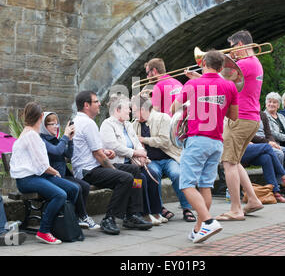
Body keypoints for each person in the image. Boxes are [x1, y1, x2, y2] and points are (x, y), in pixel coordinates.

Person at [171, 50, 239, 243]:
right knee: (205, 185)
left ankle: (209, 222)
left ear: (203, 63)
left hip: (197, 140)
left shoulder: (192, 84)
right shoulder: (230, 86)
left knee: (186, 184)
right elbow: (233, 116)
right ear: (221, 67)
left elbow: (173, 108)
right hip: (216, 141)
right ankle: (199, 229)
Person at [71, 91, 152, 235]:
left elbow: (95, 150)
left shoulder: (80, 121)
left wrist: (105, 151)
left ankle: (132, 214)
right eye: (96, 101)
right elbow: (98, 156)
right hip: (88, 171)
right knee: (125, 178)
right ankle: (109, 218)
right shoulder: (88, 123)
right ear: (86, 105)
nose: (99, 104)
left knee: (135, 172)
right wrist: (114, 169)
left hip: (93, 165)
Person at [10, 102, 79, 245]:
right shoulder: (31, 136)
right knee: (60, 194)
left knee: (73, 188)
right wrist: (55, 173)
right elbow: (42, 165)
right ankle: (44, 230)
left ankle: (64, 224)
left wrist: (52, 173)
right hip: (27, 180)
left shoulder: (31, 133)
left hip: (37, 176)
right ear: (41, 116)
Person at [99, 94, 165, 226]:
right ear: (117, 110)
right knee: (141, 179)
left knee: (153, 174)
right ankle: (142, 213)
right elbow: (114, 146)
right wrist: (135, 153)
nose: (130, 111)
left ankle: (155, 211)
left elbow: (137, 142)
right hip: (118, 164)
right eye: (127, 108)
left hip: (132, 163)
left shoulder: (128, 125)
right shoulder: (107, 124)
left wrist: (142, 154)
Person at [218, 30, 264, 219]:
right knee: (235, 161)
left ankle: (236, 209)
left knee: (228, 162)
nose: (231, 52)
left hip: (240, 118)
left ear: (238, 45)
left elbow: (218, 83)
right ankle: (252, 199)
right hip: (250, 118)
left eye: (232, 48)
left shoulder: (244, 64)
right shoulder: (256, 63)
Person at [131, 94, 196, 223]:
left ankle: (186, 208)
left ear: (142, 109)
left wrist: (143, 139)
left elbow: (165, 141)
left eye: (134, 110)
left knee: (177, 174)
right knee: (153, 176)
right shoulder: (134, 124)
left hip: (169, 158)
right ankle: (159, 208)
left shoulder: (162, 118)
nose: (133, 114)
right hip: (151, 160)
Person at [40, 112, 100, 230]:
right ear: (44, 126)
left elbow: (68, 154)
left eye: (57, 124)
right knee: (76, 186)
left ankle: (78, 216)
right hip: (51, 176)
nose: (56, 127)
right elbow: (56, 151)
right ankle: (82, 216)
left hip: (62, 175)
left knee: (85, 186)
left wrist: (71, 140)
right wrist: (65, 137)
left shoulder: (55, 139)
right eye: (52, 124)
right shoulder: (43, 140)